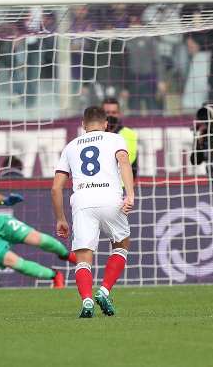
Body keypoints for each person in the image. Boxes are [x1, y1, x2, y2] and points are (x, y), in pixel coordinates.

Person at [52, 106, 135, 318]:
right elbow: (124, 162)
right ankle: (104, 290)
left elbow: (56, 187)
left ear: (83, 125)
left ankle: (87, 300)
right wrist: (130, 195)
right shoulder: (115, 139)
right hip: (110, 198)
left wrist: (61, 218)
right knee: (121, 244)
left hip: (82, 201)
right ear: (106, 124)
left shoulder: (70, 147)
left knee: (83, 258)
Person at [102, 97, 139, 181]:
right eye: (107, 112)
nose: (110, 115)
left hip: (122, 186)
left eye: (114, 112)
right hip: (100, 186)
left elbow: (131, 162)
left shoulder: (129, 134)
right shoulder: (95, 134)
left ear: (119, 114)